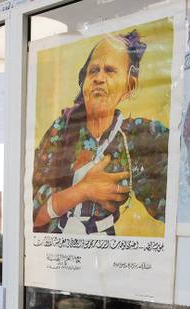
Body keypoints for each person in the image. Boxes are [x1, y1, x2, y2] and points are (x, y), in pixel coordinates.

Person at [32, 30, 169, 236]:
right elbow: (32, 216)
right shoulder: (60, 132)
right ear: (84, 81)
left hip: (104, 252)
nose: (99, 78)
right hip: (58, 251)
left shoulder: (137, 136)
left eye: (110, 70)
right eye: (93, 70)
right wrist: (82, 191)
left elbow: (174, 200)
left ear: (129, 86)